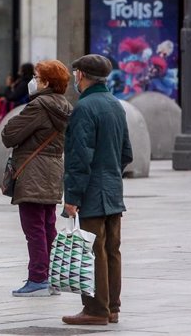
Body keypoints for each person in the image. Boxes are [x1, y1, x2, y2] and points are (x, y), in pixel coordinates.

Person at [62, 54, 133, 325]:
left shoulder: (85, 108)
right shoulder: (116, 105)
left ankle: (95, 310)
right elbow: (127, 152)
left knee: (93, 249)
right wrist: (111, 171)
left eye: (75, 73)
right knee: (112, 250)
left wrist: (72, 197)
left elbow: (80, 157)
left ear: (81, 75)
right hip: (113, 188)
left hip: (92, 189)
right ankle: (112, 307)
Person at [1, 60, 73, 297]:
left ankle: (38, 278)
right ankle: (50, 277)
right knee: (47, 226)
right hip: (52, 171)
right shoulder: (64, 105)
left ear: (46, 82)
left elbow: (9, 135)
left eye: (37, 77)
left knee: (33, 228)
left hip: (33, 172)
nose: (33, 81)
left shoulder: (39, 106)